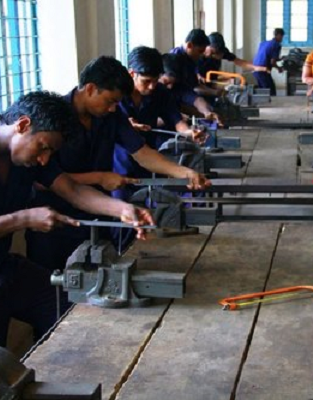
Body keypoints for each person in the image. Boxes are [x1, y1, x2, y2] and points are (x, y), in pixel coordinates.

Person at [0, 91, 154, 347]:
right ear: (22, 125)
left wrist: (121, 209)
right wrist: (22, 219)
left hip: (3, 269)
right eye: (43, 147)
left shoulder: (28, 160)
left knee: (74, 313)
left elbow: (72, 190)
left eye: (50, 152)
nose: (44, 159)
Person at [25, 56, 210, 273]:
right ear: (91, 89)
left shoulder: (110, 116)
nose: (114, 108)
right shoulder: (54, 118)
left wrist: (183, 172)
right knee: (55, 283)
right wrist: (99, 177)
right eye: (110, 100)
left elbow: (142, 153)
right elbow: (42, 181)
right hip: (54, 222)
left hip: (99, 213)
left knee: (102, 275)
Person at [115, 46, 206, 201]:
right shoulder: (118, 96)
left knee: (150, 202)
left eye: (155, 80)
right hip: (120, 164)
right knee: (122, 206)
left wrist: (188, 132)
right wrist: (126, 126)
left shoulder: (160, 92)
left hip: (149, 161)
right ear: (132, 74)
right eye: (146, 81)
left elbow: (176, 121)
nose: (152, 86)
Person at [169, 29, 221, 122]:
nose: (201, 55)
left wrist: (206, 111)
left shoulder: (190, 59)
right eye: (200, 51)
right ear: (189, 45)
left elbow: (191, 88)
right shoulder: (174, 60)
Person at [198, 32, 267, 80]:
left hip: (211, 79)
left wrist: (256, 68)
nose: (217, 56)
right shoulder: (198, 54)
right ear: (206, 46)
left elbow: (239, 62)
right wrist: (198, 76)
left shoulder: (222, 51)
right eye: (213, 52)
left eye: (217, 53)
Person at [253, 28, 284, 96]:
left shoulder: (263, 43)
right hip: (263, 71)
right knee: (271, 92)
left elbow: (267, 56)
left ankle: (262, 102)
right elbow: (272, 62)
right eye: (282, 37)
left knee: (263, 91)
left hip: (255, 69)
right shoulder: (276, 45)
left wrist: (279, 59)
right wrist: (279, 68)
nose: (282, 39)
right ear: (279, 35)